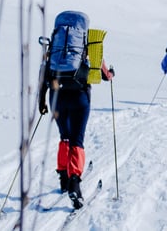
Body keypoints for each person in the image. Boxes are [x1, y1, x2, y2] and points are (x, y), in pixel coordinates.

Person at [39, 59, 113, 207]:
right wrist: (110, 73)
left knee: (65, 137)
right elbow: (104, 74)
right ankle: (74, 182)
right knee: (76, 140)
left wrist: (41, 101)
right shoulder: (87, 42)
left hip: (56, 96)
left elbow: (44, 73)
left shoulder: (57, 43)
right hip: (79, 95)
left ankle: (63, 179)